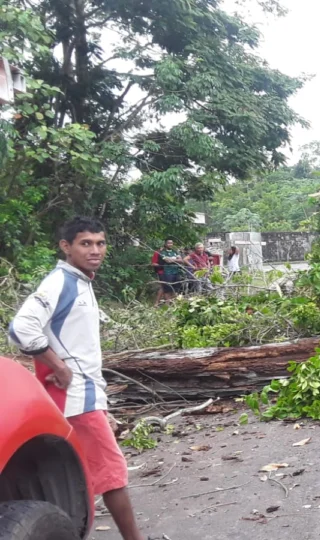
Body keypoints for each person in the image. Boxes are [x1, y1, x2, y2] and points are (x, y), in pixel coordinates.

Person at [7, 217, 146, 540]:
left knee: (89, 473)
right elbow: (21, 328)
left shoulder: (81, 282)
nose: (95, 250)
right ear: (66, 247)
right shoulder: (61, 283)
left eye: (100, 243)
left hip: (85, 396)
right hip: (75, 397)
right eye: (86, 243)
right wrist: (58, 366)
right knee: (112, 473)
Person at [159, 238, 183, 303]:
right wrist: (175, 259)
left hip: (176, 272)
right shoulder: (162, 252)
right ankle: (167, 304)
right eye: (168, 243)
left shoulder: (175, 251)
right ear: (165, 244)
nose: (170, 244)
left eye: (171, 243)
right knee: (167, 289)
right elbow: (167, 261)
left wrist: (172, 259)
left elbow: (181, 260)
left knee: (176, 289)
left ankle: (174, 304)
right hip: (168, 273)